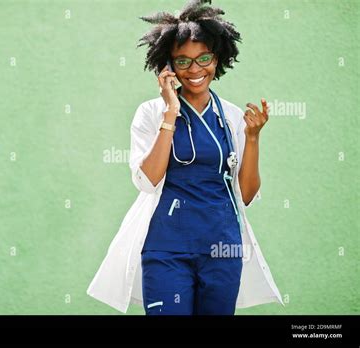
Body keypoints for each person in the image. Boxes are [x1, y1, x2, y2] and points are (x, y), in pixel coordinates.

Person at [87, 0, 284, 315]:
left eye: (203, 58)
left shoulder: (232, 117)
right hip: (166, 248)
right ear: (168, 66)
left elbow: (245, 195)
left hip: (223, 247)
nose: (195, 70)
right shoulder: (151, 113)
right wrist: (171, 113)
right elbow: (147, 180)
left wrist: (252, 137)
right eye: (183, 61)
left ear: (217, 59)